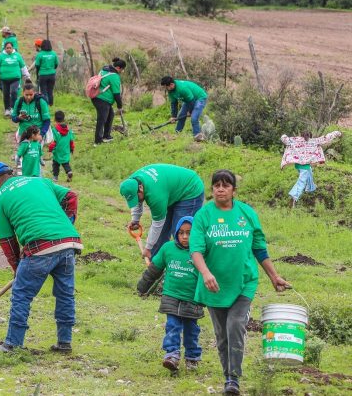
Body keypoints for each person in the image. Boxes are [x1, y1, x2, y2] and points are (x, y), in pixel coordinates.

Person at [190, 170, 291, 396]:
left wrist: (274, 276)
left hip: (244, 282)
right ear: (212, 189)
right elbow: (195, 249)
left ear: (234, 190)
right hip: (214, 285)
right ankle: (227, 375)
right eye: (216, 185)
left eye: (226, 185)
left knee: (235, 325)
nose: (220, 189)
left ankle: (233, 379)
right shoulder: (203, 216)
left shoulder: (247, 213)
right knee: (221, 334)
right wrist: (205, 273)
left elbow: (259, 248)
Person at [0, 162, 80, 353]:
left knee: (21, 294)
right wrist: (67, 222)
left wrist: (16, 268)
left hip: (39, 246)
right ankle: (64, 343)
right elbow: (71, 196)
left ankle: (12, 344)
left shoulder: (0, 198)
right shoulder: (40, 181)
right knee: (65, 294)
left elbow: (7, 240)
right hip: (69, 242)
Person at [137, 217, 204, 372]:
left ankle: (192, 357)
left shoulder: (201, 252)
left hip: (192, 299)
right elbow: (154, 269)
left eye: (189, 233)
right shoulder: (168, 248)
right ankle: (172, 355)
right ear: (176, 233)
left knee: (191, 330)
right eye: (181, 233)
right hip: (171, 296)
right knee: (172, 326)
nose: (185, 236)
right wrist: (143, 286)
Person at [119, 164, 205, 259]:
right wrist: (135, 220)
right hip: (169, 190)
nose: (137, 200)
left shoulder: (155, 196)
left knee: (181, 232)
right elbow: (138, 201)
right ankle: (156, 266)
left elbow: (157, 224)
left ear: (141, 188)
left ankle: (184, 267)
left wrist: (147, 248)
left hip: (190, 189)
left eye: (137, 197)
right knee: (160, 234)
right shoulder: (132, 182)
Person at [280, 130, 341, 207]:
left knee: (309, 173)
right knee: (301, 182)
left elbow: (284, 139)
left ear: (301, 135)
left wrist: (284, 135)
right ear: (310, 136)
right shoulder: (314, 141)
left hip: (298, 164)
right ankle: (293, 197)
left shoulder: (295, 140)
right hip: (305, 166)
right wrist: (337, 133)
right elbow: (327, 138)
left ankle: (310, 188)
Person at [161, 76, 208, 140]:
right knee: (181, 115)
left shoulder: (182, 88)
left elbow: (192, 101)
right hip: (189, 100)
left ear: (171, 84)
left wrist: (190, 111)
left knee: (194, 117)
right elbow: (174, 103)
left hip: (200, 97)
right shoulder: (170, 91)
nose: (165, 89)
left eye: (166, 87)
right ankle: (177, 133)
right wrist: (173, 116)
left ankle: (198, 136)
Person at [92, 58, 126, 145]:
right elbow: (116, 93)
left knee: (110, 115)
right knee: (102, 119)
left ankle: (106, 136)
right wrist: (120, 105)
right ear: (118, 68)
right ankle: (98, 140)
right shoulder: (114, 76)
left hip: (98, 97)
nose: (123, 71)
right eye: (122, 69)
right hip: (102, 99)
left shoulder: (105, 69)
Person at [0, 42, 29, 116]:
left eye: (10, 48)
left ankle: (13, 108)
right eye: (7, 48)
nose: (8, 49)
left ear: (13, 48)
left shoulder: (17, 55)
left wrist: (27, 76)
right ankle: (7, 109)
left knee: (13, 92)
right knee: (5, 94)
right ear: (5, 48)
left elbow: (23, 66)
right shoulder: (1, 56)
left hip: (15, 78)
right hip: (4, 79)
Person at [48, 111, 75, 182]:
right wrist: (72, 149)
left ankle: (55, 177)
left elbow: (54, 142)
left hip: (57, 150)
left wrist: (50, 149)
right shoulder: (69, 130)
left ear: (55, 119)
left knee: (55, 164)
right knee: (65, 163)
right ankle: (69, 171)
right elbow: (71, 141)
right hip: (66, 150)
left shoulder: (54, 130)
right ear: (64, 118)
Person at [34, 39, 59, 106]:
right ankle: (51, 104)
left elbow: (37, 65)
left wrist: (38, 74)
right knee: (50, 90)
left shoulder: (40, 54)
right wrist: (52, 69)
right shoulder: (53, 53)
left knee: (43, 90)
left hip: (43, 75)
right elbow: (56, 64)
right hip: (52, 74)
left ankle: (46, 104)